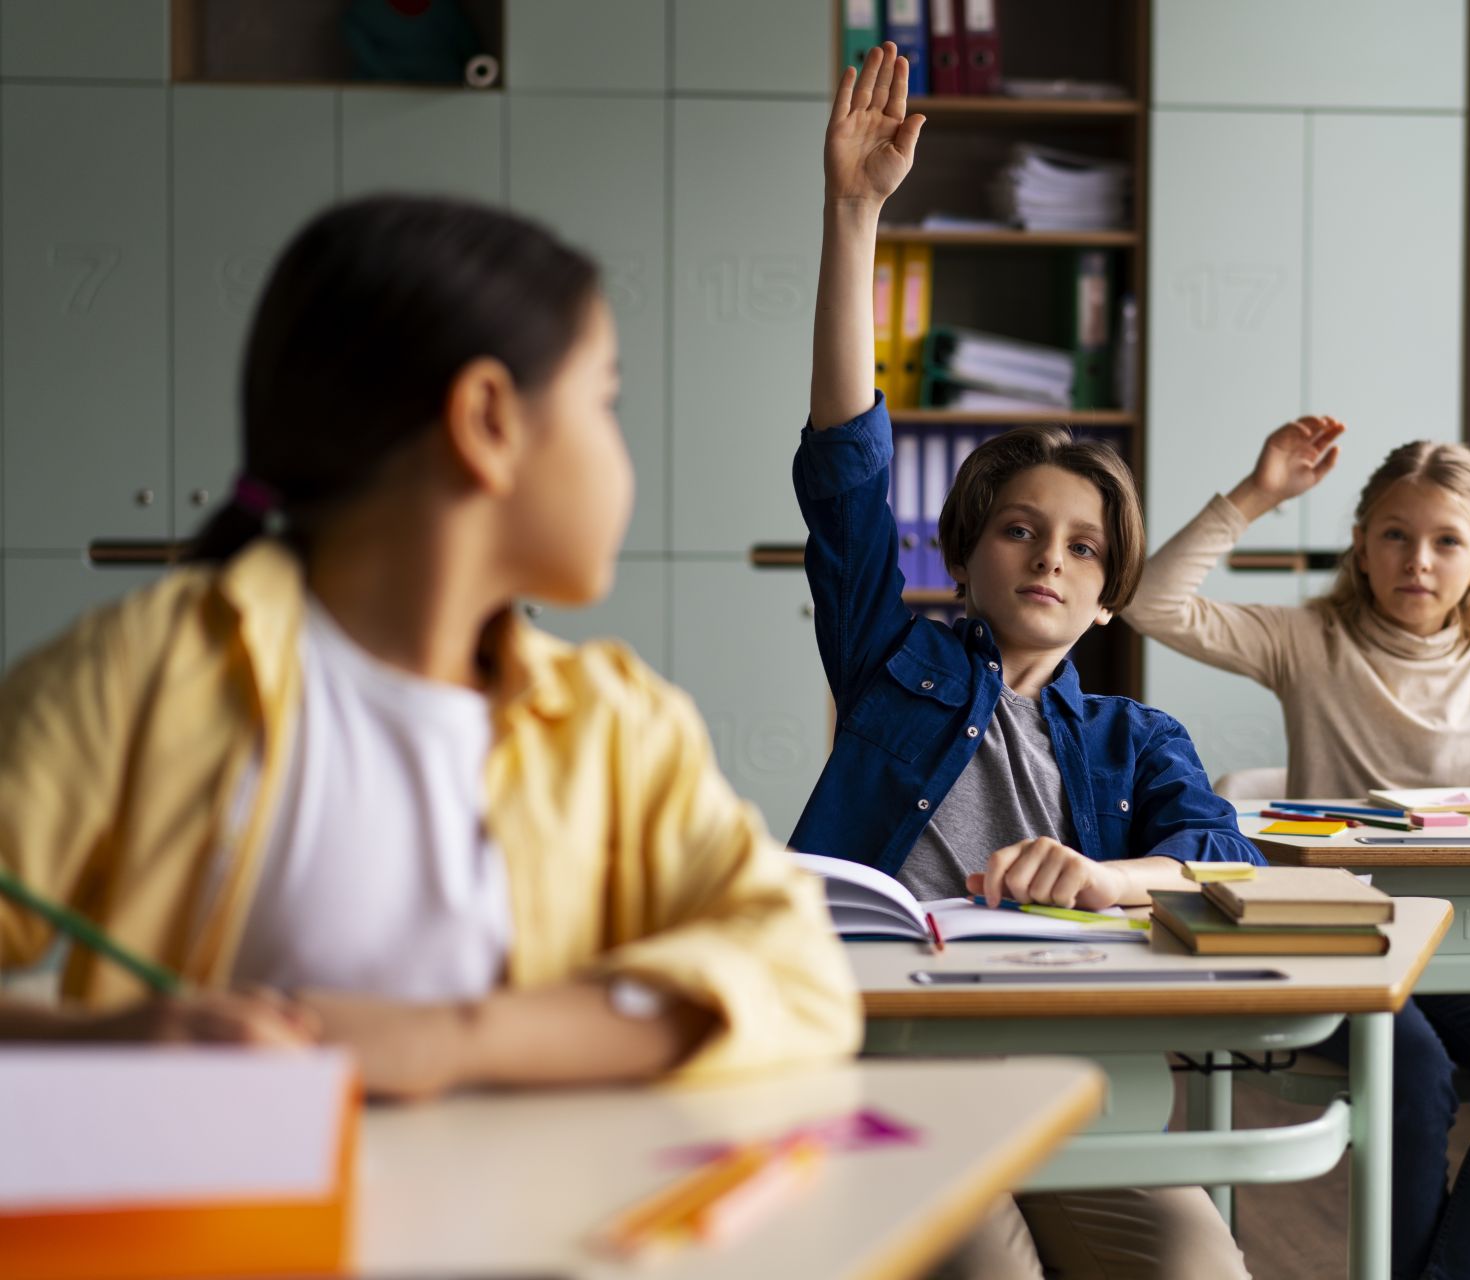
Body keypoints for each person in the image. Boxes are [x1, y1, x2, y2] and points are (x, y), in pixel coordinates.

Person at [0, 195, 860, 1098]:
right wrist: (109, 1044)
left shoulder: (617, 724)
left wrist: (455, 1039)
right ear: (489, 419)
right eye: (604, 399)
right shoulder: (150, 670)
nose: (620, 453)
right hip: (209, 1235)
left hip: (543, 1240)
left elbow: (801, 972)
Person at [789, 44, 1256, 1278]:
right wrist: (854, 217)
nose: (1052, 557)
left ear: (1109, 599)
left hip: (1072, 1084)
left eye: (1086, 548)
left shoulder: (1134, 744)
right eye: (1020, 529)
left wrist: (1112, 878)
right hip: (897, 1070)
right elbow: (844, 471)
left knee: (1201, 1268)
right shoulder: (894, 663)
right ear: (968, 554)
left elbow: (1226, 859)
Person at [1126, 418, 1470, 1279]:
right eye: (1395, 536)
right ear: (1361, 549)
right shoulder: (1308, 641)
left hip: (1464, 945)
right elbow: (1149, 601)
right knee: (1409, 1068)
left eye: (1446, 542)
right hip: (1338, 943)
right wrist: (1258, 495)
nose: (1419, 561)